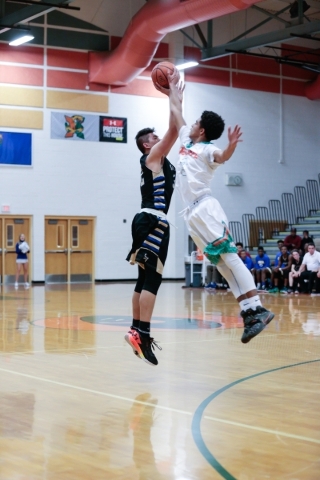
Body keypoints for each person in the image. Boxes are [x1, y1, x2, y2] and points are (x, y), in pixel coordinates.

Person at [165, 77, 274, 344]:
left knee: (231, 258)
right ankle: (249, 314)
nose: (191, 124)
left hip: (205, 207)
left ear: (202, 131)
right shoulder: (185, 142)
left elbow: (222, 157)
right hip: (191, 215)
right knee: (222, 266)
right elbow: (177, 113)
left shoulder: (207, 149)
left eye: (196, 123)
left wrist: (232, 144)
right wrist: (172, 92)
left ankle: (258, 307)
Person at [124, 85, 179, 366]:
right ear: (148, 145)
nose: (159, 139)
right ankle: (143, 333)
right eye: (154, 138)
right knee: (153, 279)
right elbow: (175, 129)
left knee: (143, 278)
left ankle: (136, 329)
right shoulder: (152, 158)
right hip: (154, 219)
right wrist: (173, 97)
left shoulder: (157, 162)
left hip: (146, 219)